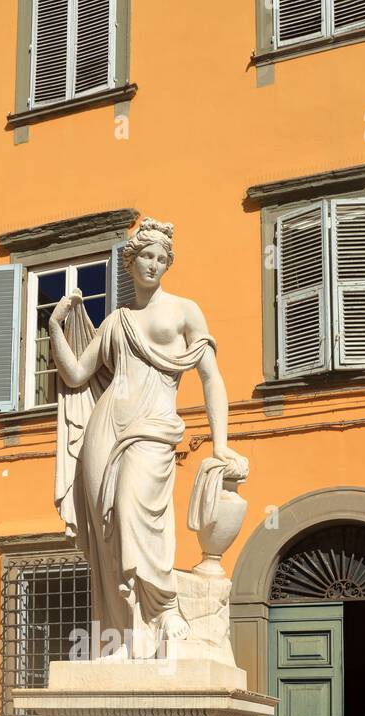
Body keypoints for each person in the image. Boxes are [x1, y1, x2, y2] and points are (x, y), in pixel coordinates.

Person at [49, 217, 247, 658]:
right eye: (146, 256)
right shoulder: (116, 321)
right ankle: (124, 635)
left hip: (153, 427)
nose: (154, 264)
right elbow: (77, 374)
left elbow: (211, 378)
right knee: (108, 530)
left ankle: (165, 610)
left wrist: (219, 443)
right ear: (131, 262)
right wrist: (54, 328)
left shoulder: (184, 311)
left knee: (137, 513)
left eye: (162, 257)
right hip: (106, 427)